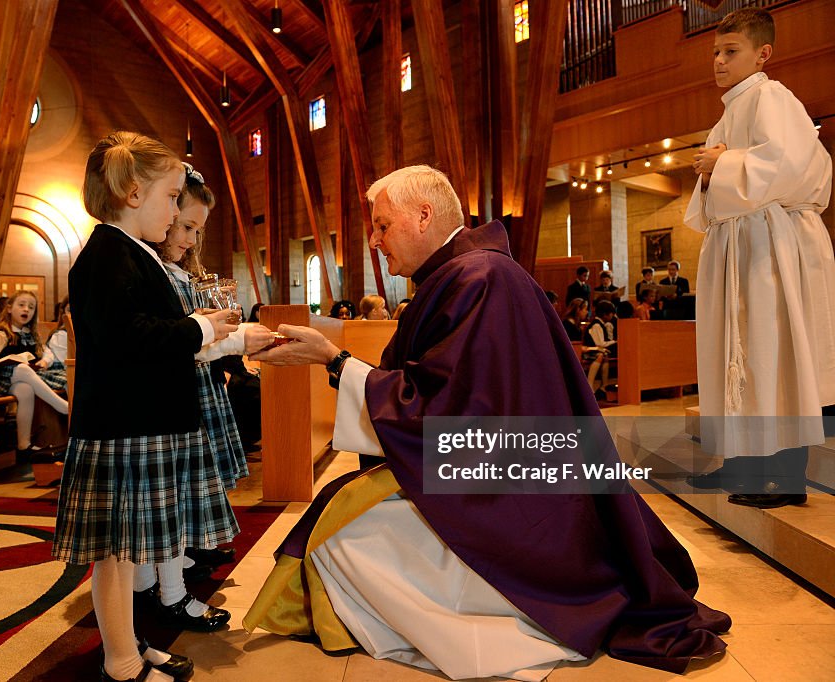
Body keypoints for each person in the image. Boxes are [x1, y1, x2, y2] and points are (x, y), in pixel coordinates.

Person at [245, 165, 729, 679]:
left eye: (383, 225)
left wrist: (336, 362)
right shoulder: (466, 275)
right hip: (517, 477)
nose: (375, 240)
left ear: (423, 216)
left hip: (514, 501)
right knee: (342, 514)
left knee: (340, 535)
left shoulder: (476, 279)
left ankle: (495, 629)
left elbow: (446, 414)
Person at [53, 131, 247, 682]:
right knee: (116, 557)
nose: (174, 212)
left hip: (143, 425)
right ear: (133, 194)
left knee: (131, 551)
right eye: (169, 198)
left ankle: (131, 643)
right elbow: (127, 337)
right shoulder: (106, 255)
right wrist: (200, 327)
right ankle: (120, 663)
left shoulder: (133, 254)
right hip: (122, 428)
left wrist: (207, 333)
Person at [683, 8, 835, 509]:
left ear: (762, 53)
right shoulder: (731, 110)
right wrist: (712, 172)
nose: (719, 62)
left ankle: (783, 478)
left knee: (772, 358)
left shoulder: (771, 97)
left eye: (731, 52)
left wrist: (720, 163)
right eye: (715, 53)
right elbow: (724, 189)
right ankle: (740, 463)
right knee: (735, 354)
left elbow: (790, 166)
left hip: (768, 251)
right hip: (737, 247)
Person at [142, 163, 273, 609]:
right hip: (182, 386)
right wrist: (232, 337)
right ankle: (169, 571)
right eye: (185, 227)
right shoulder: (151, 272)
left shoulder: (182, 273)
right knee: (175, 489)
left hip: (200, 381)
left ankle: (186, 555)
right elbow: (181, 337)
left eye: (198, 231)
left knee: (196, 480)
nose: (191, 239)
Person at [0, 290, 69, 456]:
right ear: (9, 308)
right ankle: (62, 406)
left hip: (15, 381)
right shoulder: (4, 333)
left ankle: (24, 445)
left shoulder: (32, 335)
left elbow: (47, 352)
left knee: (26, 390)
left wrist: (44, 361)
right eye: (21, 305)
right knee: (22, 368)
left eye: (31, 307)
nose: (26, 310)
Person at [583, 300, 617, 399]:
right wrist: (614, 342)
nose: (612, 315)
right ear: (605, 314)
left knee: (605, 356)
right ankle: (589, 385)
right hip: (590, 351)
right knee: (601, 355)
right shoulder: (597, 325)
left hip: (597, 350)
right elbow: (600, 343)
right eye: (611, 313)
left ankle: (603, 386)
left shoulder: (602, 324)